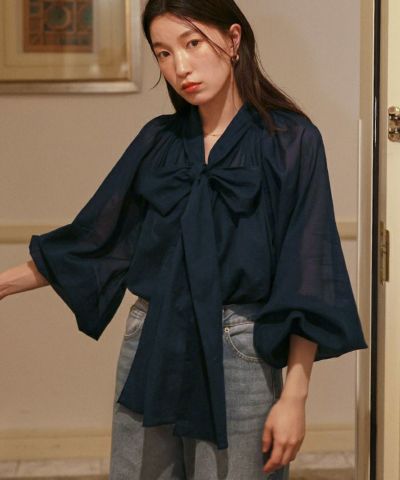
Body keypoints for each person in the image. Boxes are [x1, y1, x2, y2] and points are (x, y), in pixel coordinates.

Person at [0, 0, 369, 479]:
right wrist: (5, 282)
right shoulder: (158, 141)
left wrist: (295, 396)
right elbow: (95, 241)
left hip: (241, 349)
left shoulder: (290, 140)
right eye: (163, 53)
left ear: (233, 40)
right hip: (152, 339)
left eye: (192, 43)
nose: (180, 67)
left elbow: (308, 269)